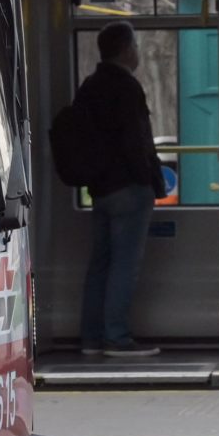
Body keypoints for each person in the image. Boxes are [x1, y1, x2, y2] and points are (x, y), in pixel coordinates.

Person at [75, 21, 166, 357]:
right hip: (129, 187)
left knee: (100, 262)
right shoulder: (127, 87)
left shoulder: (90, 85)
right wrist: (152, 181)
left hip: (100, 189)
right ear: (128, 50)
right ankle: (117, 337)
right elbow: (138, 141)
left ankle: (91, 338)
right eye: (136, 47)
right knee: (125, 264)